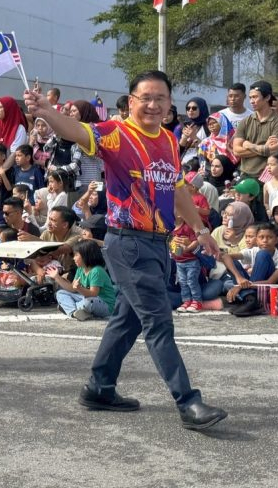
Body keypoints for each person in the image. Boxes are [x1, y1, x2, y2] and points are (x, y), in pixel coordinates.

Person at [23, 70, 227, 430]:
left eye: (160, 98)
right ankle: (188, 402)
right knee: (159, 322)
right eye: (145, 97)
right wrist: (46, 112)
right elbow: (75, 131)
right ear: (131, 101)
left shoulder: (167, 140)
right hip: (128, 242)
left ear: (169, 104)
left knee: (127, 320)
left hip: (158, 244)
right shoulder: (115, 133)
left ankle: (99, 388)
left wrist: (200, 229)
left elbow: (177, 188)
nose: (152, 105)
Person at [231, 81, 278, 180]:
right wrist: (264, 147)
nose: (251, 101)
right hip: (245, 174)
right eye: (250, 97)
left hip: (268, 176)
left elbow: (273, 150)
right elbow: (236, 151)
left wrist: (249, 145)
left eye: (255, 97)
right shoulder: (245, 121)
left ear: (267, 97)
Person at [51, 239, 116, 321]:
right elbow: (72, 288)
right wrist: (57, 277)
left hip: (103, 304)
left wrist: (79, 288)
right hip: (86, 299)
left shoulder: (97, 271)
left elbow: (93, 294)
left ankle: (71, 308)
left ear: (86, 255)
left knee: (88, 302)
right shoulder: (80, 269)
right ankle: (75, 313)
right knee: (60, 293)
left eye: (76, 255)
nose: (73, 258)